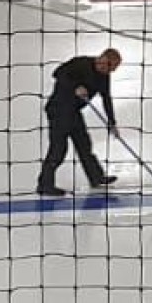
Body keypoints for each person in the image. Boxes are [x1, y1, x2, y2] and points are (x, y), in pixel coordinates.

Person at [37, 49, 123, 196]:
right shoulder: (81, 63)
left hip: (73, 112)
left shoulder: (104, 76)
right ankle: (45, 185)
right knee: (58, 149)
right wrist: (75, 86)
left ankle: (96, 178)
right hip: (58, 109)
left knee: (84, 145)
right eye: (110, 67)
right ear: (102, 58)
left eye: (113, 69)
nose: (110, 71)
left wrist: (112, 123)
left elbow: (106, 98)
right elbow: (58, 73)